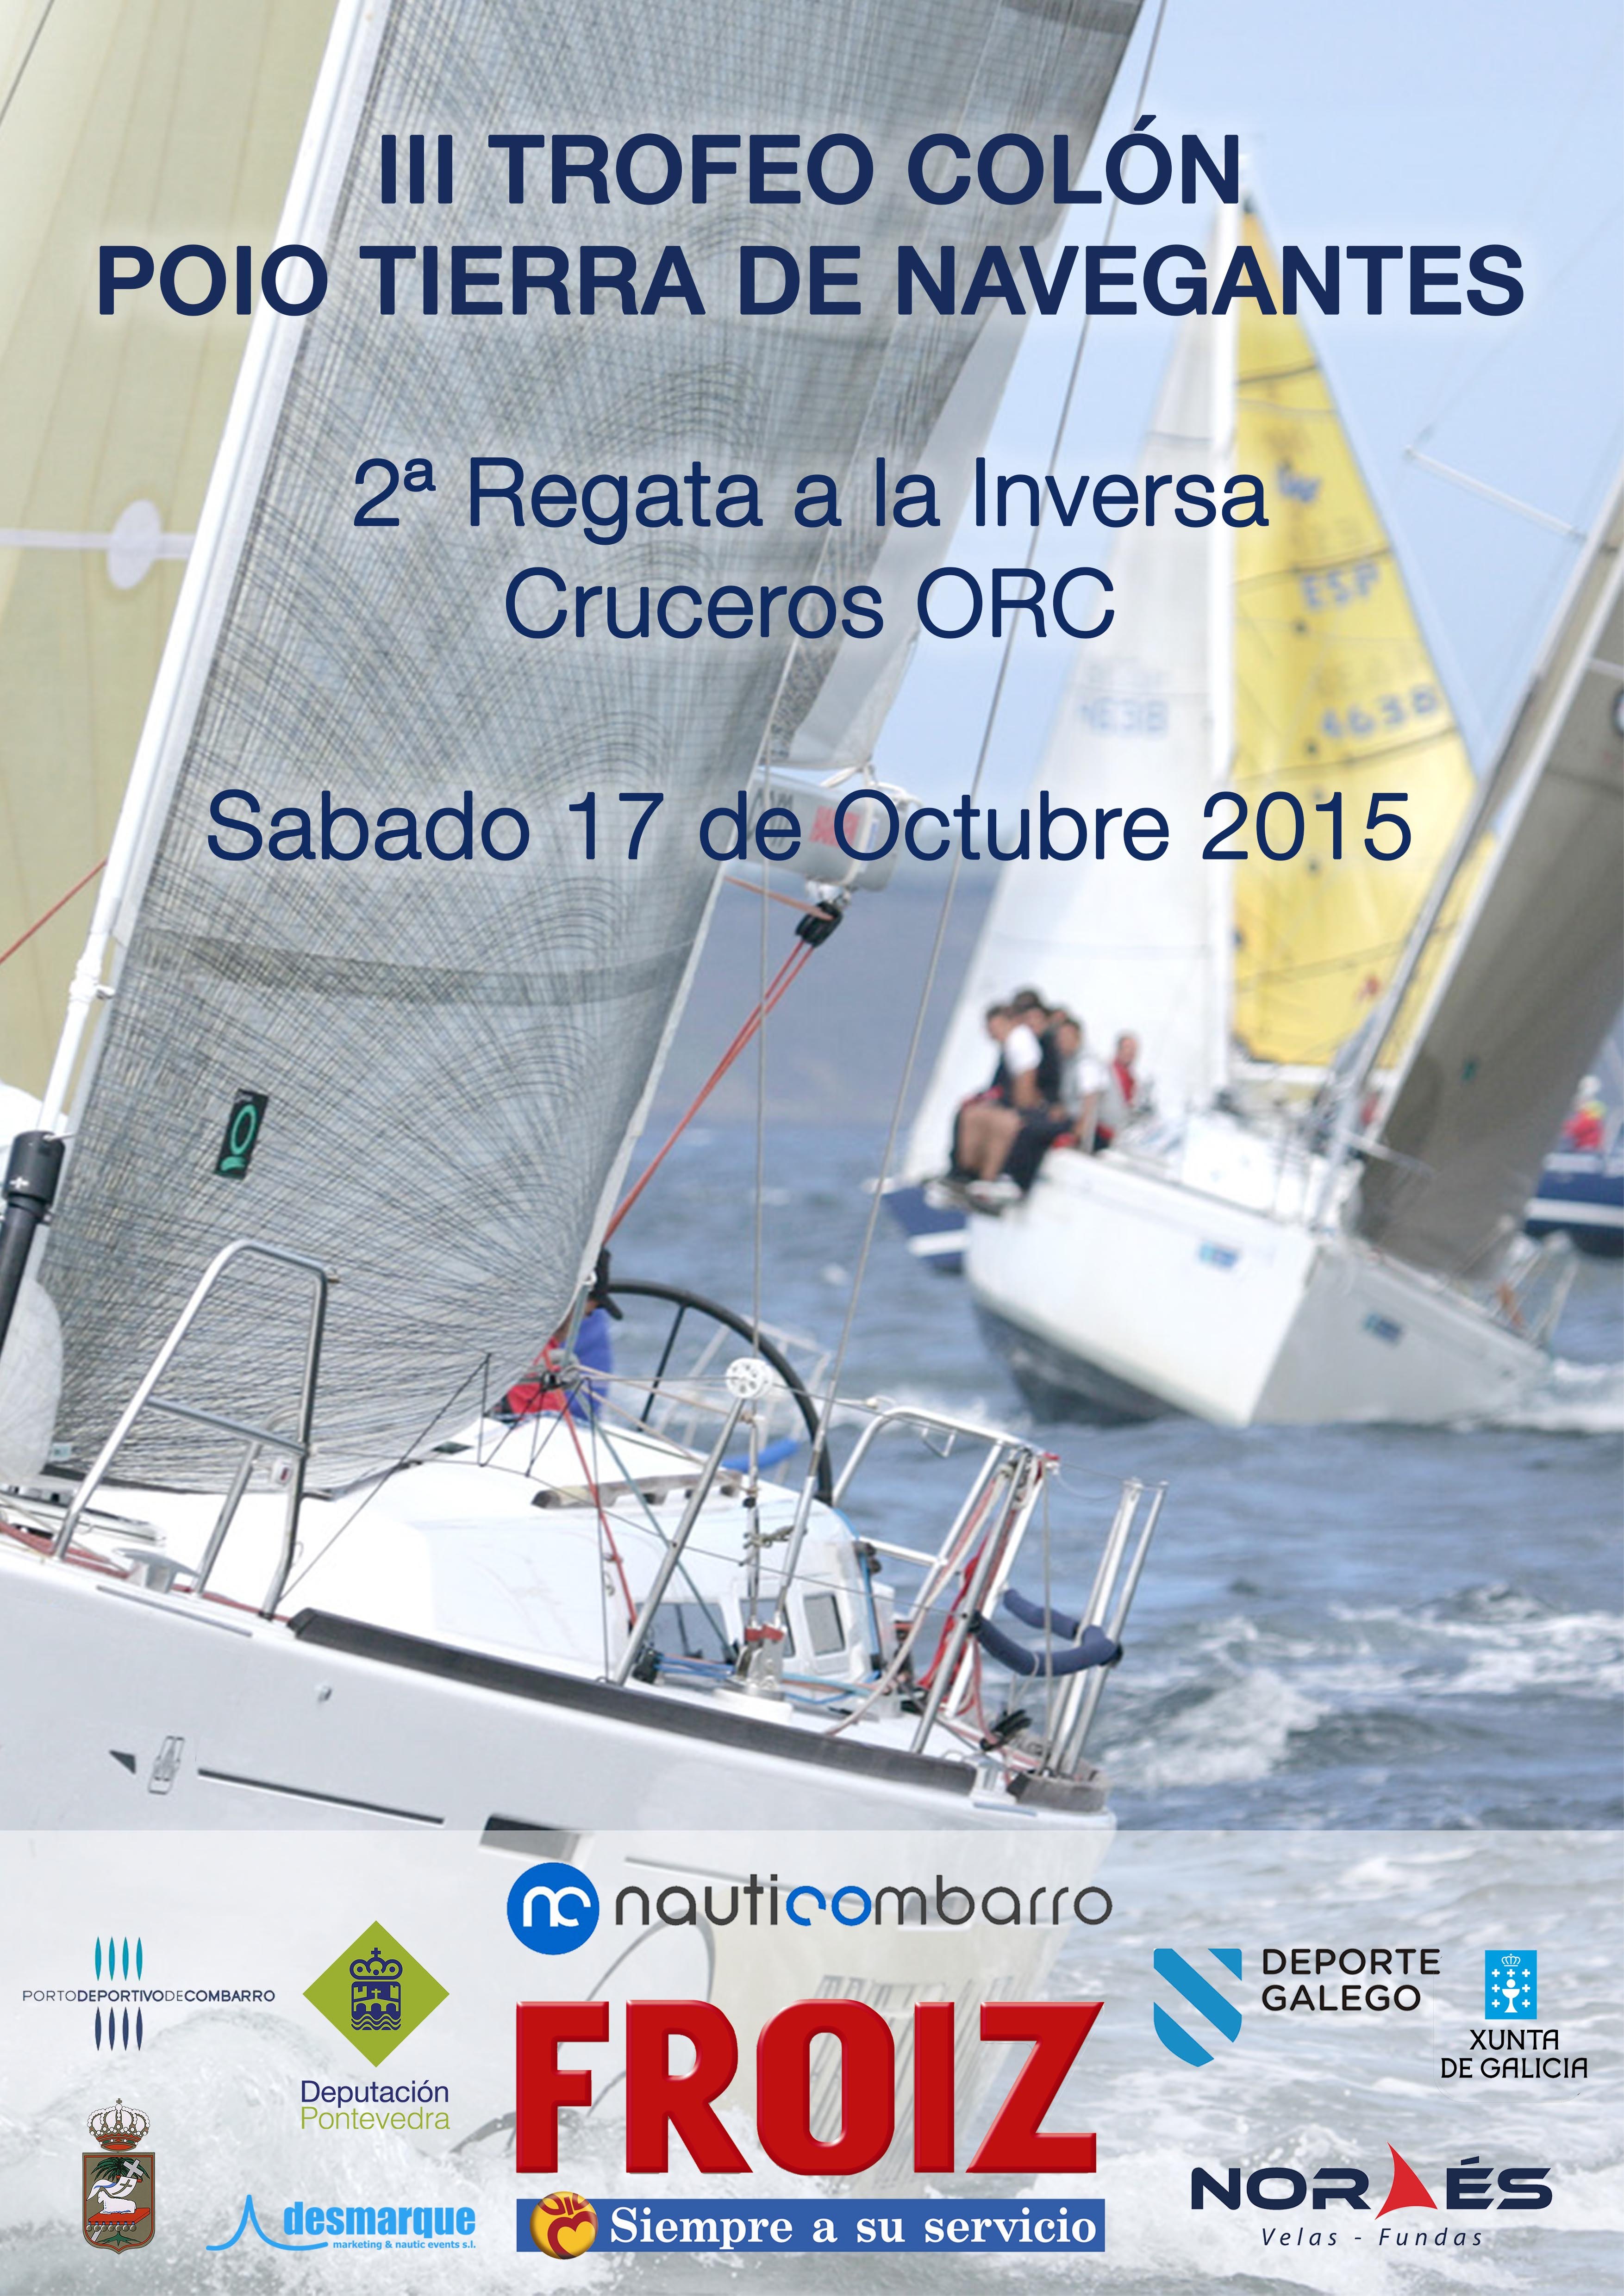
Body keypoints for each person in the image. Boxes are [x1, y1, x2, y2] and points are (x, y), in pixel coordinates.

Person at [1562, 1076, 1607, 1152]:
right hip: (1582, 1147)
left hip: (1587, 1149)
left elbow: (1577, 1130)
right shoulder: (1584, 1115)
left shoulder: (1590, 1116)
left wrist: (1564, 1129)